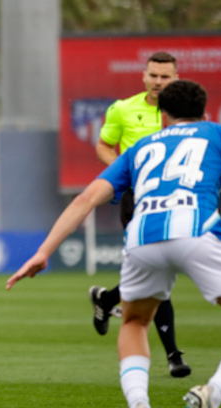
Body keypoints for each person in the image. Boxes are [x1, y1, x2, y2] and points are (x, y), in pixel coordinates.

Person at [7, 80, 221, 408]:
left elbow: (86, 199)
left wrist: (44, 251)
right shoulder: (220, 133)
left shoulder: (141, 148)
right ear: (205, 113)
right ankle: (213, 394)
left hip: (142, 237)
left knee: (133, 322)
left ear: (163, 116)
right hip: (197, 230)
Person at [89, 52, 190, 378]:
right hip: (138, 200)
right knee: (159, 269)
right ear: (144, 76)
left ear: (176, 78)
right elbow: (104, 145)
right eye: (153, 75)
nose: (158, 82)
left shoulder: (188, 112)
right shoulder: (122, 109)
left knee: (155, 270)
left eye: (165, 76)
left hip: (178, 200)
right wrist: (125, 170)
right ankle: (173, 354)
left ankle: (107, 299)